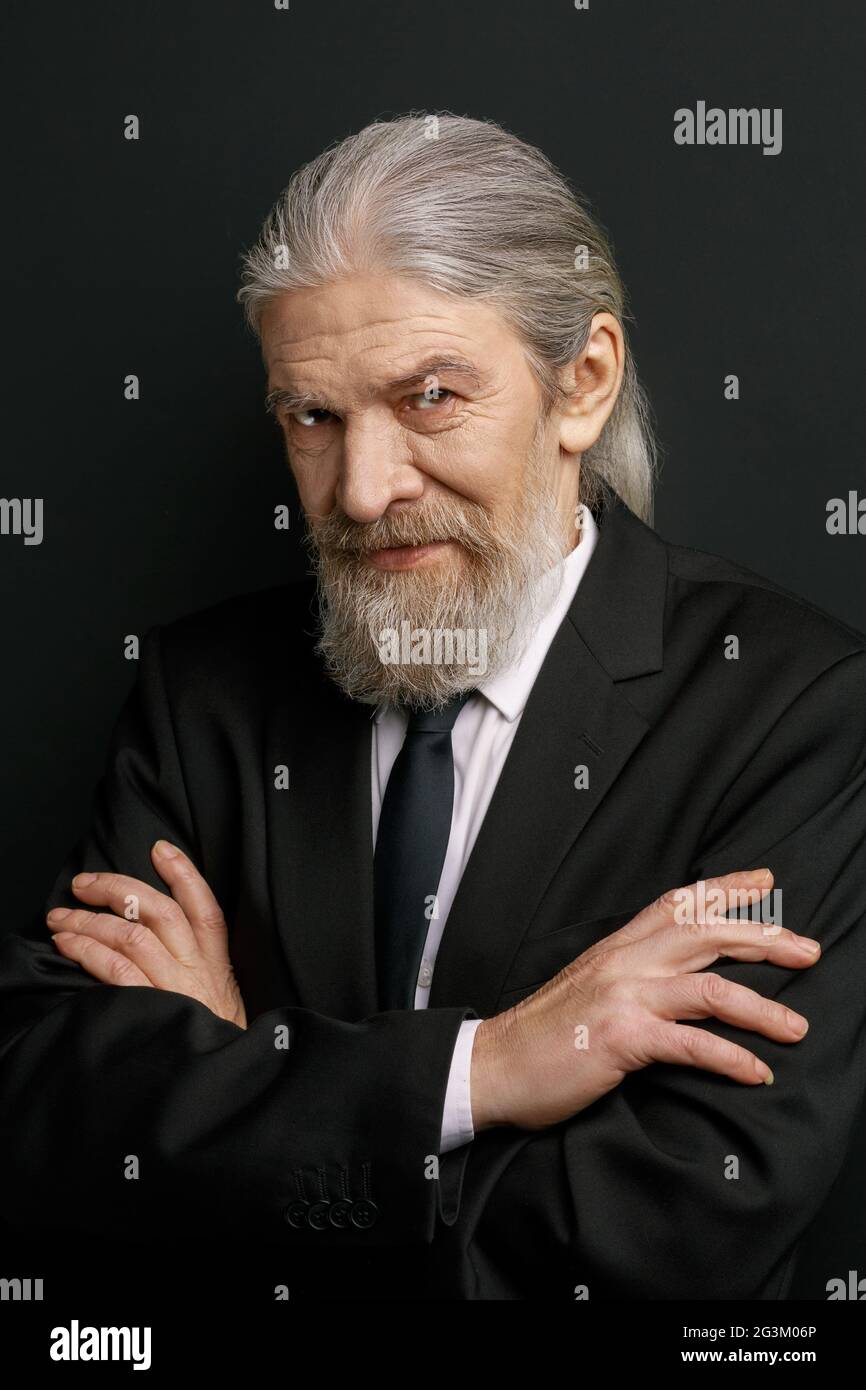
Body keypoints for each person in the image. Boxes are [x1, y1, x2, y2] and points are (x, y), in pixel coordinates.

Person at [1, 114, 865, 1301]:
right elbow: (51, 1117)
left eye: (429, 397)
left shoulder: (788, 708)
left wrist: (242, 1083)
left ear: (584, 385)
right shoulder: (201, 693)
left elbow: (661, 1247)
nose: (360, 490)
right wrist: (482, 1071)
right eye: (310, 416)